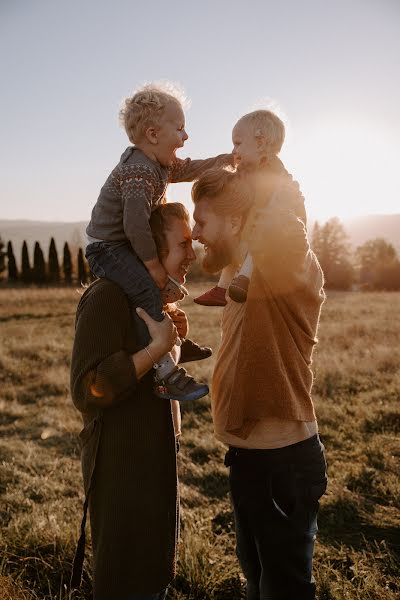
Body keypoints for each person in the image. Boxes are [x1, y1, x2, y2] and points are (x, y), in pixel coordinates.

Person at [192, 168, 328, 600]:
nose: (196, 234)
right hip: (250, 463)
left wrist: (263, 172)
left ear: (234, 223)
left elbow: (287, 228)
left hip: (284, 466)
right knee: (257, 582)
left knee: (283, 591)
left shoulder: (283, 267)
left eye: (202, 221)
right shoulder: (237, 276)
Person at [70, 202, 204, 600]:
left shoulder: (150, 298)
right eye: (182, 243)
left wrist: (177, 343)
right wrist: (155, 349)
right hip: (123, 472)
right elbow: (86, 390)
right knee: (127, 581)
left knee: (153, 574)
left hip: (154, 463)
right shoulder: (106, 297)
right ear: (149, 247)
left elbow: (149, 353)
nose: (193, 253)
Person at [86, 82, 232, 401]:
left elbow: (190, 167)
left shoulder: (160, 164)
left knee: (163, 288)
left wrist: (224, 160)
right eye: (179, 128)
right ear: (153, 135)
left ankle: (176, 339)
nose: (185, 136)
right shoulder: (139, 170)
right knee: (147, 288)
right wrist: (152, 264)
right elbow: (135, 223)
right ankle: (166, 371)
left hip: (121, 243)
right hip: (107, 248)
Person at [194, 109, 305, 307]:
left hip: (270, 227)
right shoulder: (248, 170)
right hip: (254, 221)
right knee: (231, 240)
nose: (234, 151)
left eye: (238, 143)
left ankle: (244, 279)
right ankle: (222, 288)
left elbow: (275, 204)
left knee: (256, 241)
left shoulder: (272, 171)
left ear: (260, 143)